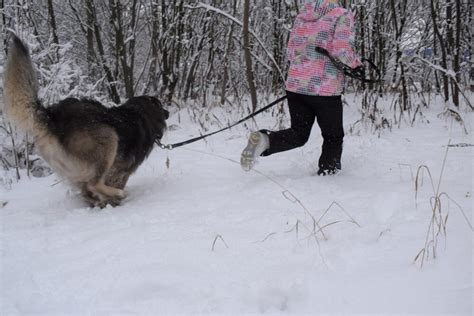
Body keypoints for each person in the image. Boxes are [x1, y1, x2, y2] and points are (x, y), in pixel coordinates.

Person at [240, 0, 362, 176]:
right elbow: (341, 51)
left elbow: (291, 51)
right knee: (333, 136)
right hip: (324, 90)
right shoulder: (341, 14)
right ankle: (329, 174)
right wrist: (356, 65)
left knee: (298, 134)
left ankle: (265, 141)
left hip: (296, 86)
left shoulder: (303, 15)